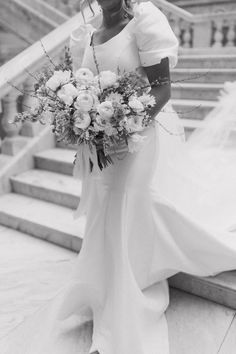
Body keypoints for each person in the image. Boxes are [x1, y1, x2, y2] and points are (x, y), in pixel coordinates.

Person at [1, 1, 236, 353]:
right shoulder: (89, 31)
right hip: (101, 141)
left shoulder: (146, 21)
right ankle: (101, 285)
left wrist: (123, 128)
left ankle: (126, 303)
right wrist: (85, 122)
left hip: (139, 138)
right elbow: (87, 87)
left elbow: (161, 90)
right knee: (105, 211)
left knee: (125, 204)